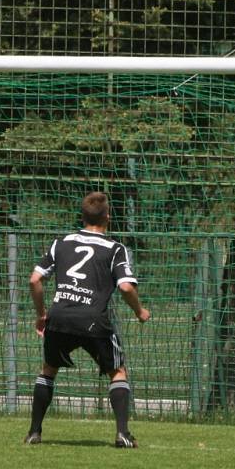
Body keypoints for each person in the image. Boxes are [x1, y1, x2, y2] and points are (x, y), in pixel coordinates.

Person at [25, 191, 150, 448]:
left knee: (49, 368)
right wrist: (140, 311)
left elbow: (35, 279)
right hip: (94, 319)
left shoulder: (61, 243)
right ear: (108, 217)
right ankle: (123, 434)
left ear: (82, 216)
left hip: (59, 317)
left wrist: (42, 315)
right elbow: (126, 287)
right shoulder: (115, 249)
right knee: (117, 371)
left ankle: (34, 432)